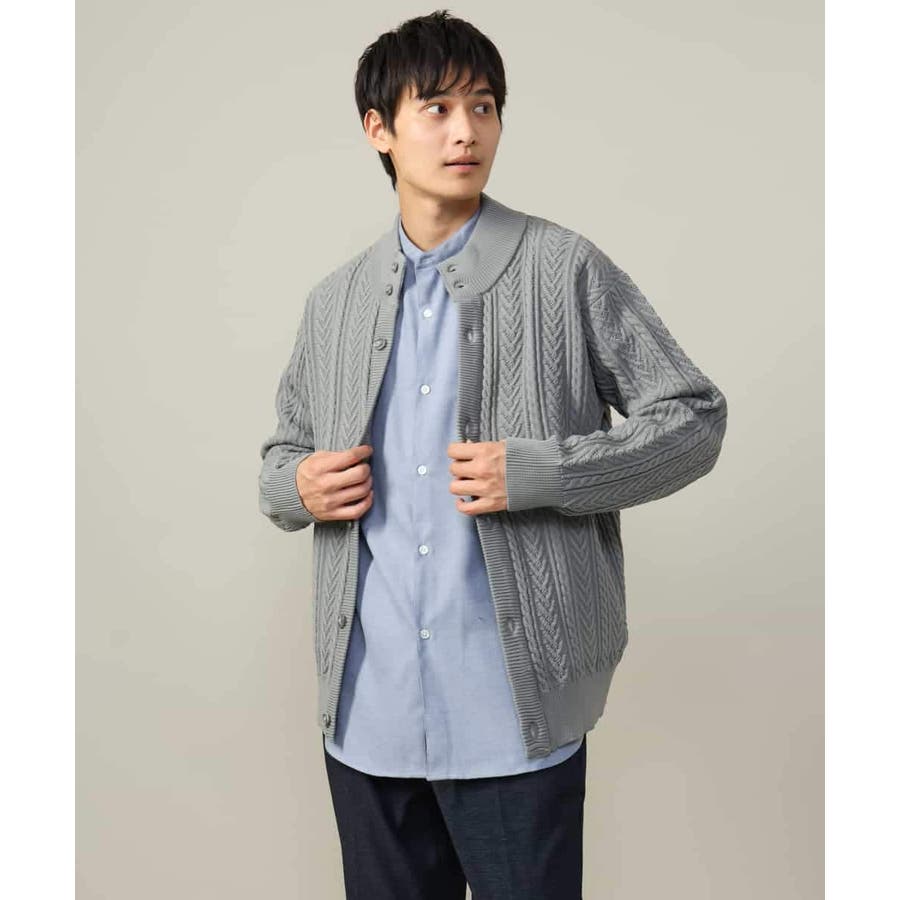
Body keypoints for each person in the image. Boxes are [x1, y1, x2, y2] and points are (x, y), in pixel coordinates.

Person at [258, 9, 728, 899]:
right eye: (436, 108)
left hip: (513, 720)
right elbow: (281, 459)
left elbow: (695, 418)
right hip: (368, 721)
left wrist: (549, 472)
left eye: (483, 106)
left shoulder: (564, 267)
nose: (466, 131)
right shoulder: (336, 302)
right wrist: (298, 486)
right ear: (379, 129)